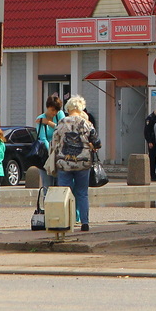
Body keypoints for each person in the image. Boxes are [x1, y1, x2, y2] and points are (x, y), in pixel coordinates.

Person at [48, 95, 101, 231]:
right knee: (82, 193)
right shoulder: (86, 123)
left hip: (64, 163)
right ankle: (85, 222)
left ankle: (65, 222)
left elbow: (53, 142)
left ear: (68, 108)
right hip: (83, 163)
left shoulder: (61, 122)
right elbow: (97, 142)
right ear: (81, 108)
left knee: (64, 192)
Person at [34, 95, 64, 199]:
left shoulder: (60, 115)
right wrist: (50, 153)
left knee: (60, 185)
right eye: (52, 110)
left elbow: (63, 129)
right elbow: (42, 138)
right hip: (47, 155)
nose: (54, 113)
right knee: (47, 185)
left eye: (56, 110)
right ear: (47, 107)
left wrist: (48, 123)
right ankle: (48, 209)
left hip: (60, 153)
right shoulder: (40, 119)